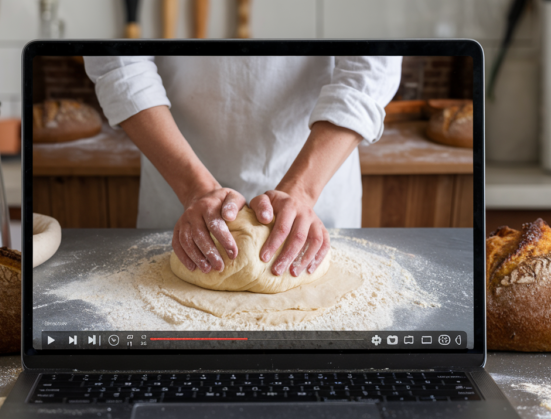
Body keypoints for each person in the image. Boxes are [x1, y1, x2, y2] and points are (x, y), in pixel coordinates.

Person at [84, 55, 401, 279]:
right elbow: (118, 61)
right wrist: (194, 188)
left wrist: (302, 191)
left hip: (316, 172)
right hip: (178, 172)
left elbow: (372, 63)